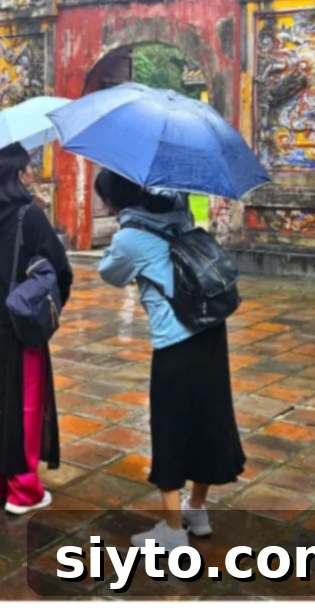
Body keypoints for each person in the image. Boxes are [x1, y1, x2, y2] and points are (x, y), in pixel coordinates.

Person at [95, 169, 245, 553]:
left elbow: (110, 273)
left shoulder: (129, 237)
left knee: (170, 431)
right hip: (210, 330)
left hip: (175, 343)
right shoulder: (178, 211)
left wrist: (122, 233)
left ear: (113, 201)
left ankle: (174, 532)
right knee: (207, 420)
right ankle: (197, 509)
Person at [0, 143, 73, 514]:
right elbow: (60, 270)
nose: (30, 174)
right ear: (17, 174)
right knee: (24, 404)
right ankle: (23, 490)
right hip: (21, 322)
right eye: (27, 168)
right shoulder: (31, 216)